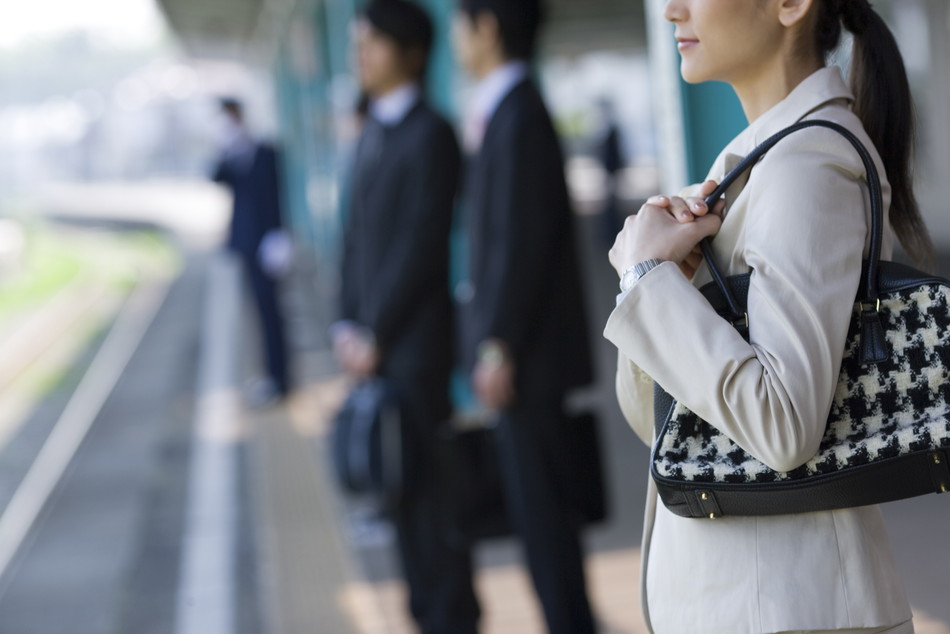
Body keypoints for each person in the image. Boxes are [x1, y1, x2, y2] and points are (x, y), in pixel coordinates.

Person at [605, 0, 927, 632]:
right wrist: (665, 284)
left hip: (787, 607)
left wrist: (645, 279)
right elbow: (662, 427)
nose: (672, 10)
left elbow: (784, 423)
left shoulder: (808, 167)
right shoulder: (757, 165)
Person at [333, 2, 479, 632]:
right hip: (375, 352)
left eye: (372, 43)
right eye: (357, 43)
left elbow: (422, 246)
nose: (360, 54)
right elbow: (354, 239)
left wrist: (375, 333)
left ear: (411, 52)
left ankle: (452, 616)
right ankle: (427, 614)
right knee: (396, 498)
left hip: (416, 352)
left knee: (432, 505)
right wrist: (345, 323)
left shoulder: (431, 131)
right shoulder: (372, 131)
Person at [453, 1, 597, 632]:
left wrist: (495, 347)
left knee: (545, 524)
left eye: (461, 26)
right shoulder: (508, 110)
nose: (456, 41)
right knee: (541, 520)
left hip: (526, 361)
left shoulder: (517, 115)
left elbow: (519, 242)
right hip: (526, 357)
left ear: (486, 26)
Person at [212, 98, 291, 404]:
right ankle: (271, 375)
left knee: (272, 313)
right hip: (246, 245)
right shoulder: (232, 154)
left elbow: (278, 195)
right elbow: (216, 177)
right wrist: (224, 148)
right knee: (257, 313)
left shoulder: (266, 151)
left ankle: (281, 378)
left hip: (268, 245)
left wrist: (281, 236)